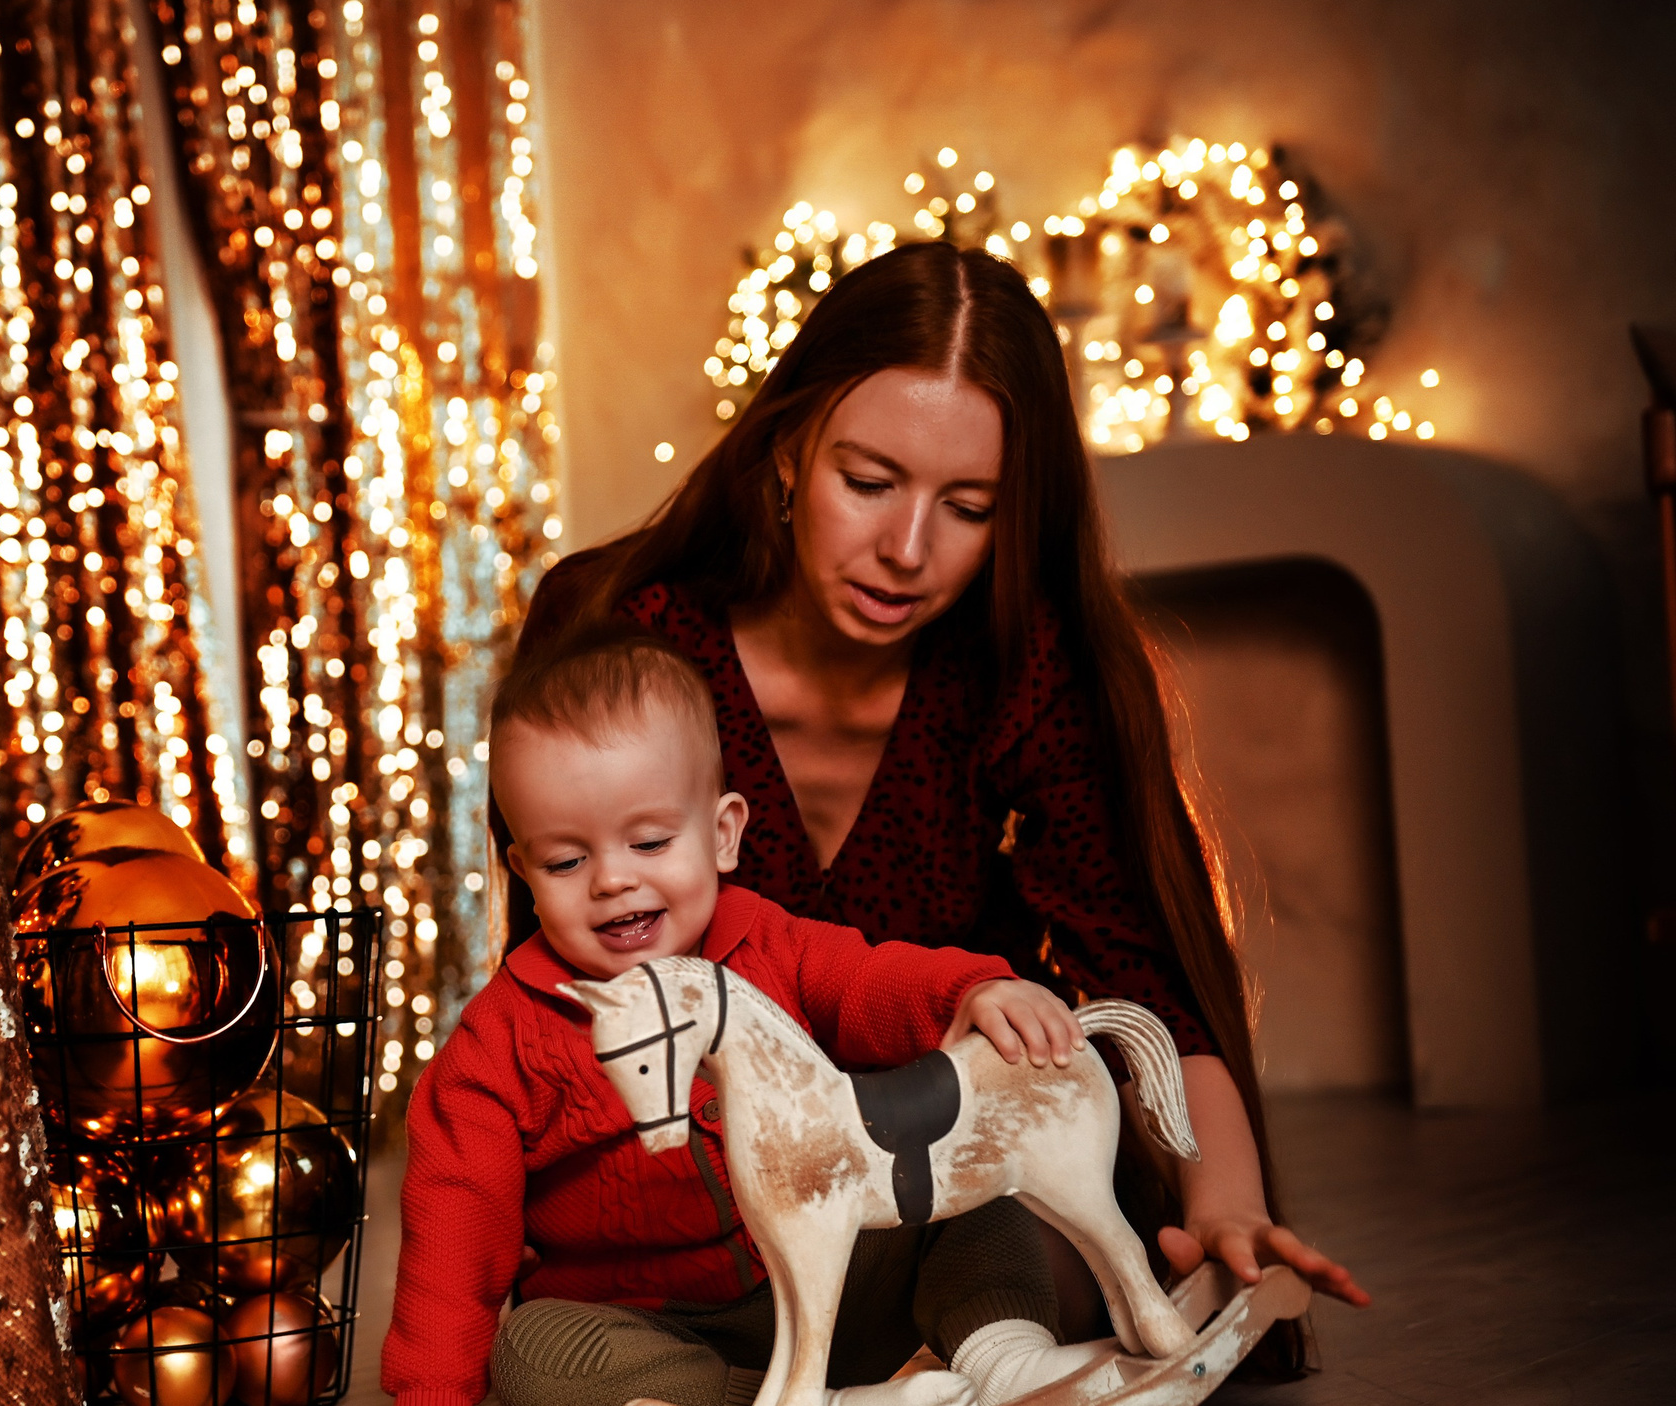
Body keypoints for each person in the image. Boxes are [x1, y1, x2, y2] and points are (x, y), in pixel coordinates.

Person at [502, 240, 1369, 1348]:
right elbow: (552, 983)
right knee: (577, 1343)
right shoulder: (615, 627)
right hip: (705, 1196)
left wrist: (1227, 1209)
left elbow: (1145, 979)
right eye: (866, 482)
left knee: (1048, 1256)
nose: (905, 549)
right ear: (784, 454)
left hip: (965, 1163)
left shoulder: (1033, 664)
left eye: (968, 506)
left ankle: (926, 1354)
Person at [322, 631, 1115, 1406]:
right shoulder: (500, 1042)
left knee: (965, 1199)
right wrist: (432, 1397)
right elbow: (456, 1213)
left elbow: (867, 978)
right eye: (566, 860)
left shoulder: (766, 943)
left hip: (836, 1272)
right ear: (522, 872)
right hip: (667, 1336)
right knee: (535, 1355)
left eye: (650, 843)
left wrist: (971, 989)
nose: (613, 881)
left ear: (723, 833)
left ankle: (1005, 1359)